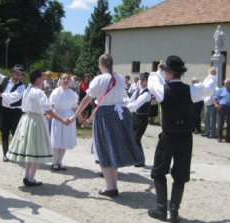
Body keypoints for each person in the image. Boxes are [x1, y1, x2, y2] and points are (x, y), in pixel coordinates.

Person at [147, 56, 217, 223]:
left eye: (165, 72)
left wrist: (157, 70)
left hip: (168, 136)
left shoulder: (163, 89)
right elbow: (208, 88)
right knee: (180, 174)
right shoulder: (191, 90)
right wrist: (212, 75)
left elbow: (151, 82)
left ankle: (161, 208)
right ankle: (174, 212)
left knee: (158, 171)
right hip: (185, 136)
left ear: (168, 73)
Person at [70, 53, 144, 197]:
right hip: (118, 114)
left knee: (103, 149)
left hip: (104, 114)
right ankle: (113, 185)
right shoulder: (120, 78)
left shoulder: (99, 79)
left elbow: (87, 99)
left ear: (101, 65)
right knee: (112, 149)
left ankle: (110, 186)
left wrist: (75, 115)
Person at [7, 69, 70, 187]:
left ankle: (27, 176)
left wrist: (45, 111)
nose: (44, 79)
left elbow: (39, 107)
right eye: (42, 77)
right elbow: (47, 109)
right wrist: (61, 119)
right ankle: (30, 178)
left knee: (31, 150)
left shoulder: (28, 90)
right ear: (38, 79)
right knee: (36, 151)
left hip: (26, 119)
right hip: (35, 121)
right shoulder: (38, 92)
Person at [0, 63, 25, 162]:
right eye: (16, 73)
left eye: (20, 74)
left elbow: (14, 97)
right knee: (4, 132)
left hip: (16, 112)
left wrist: (2, 94)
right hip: (5, 110)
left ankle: (16, 153)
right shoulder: (5, 80)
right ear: (12, 73)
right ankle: (5, 154)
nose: (17, 75)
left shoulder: (22, 86)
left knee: (16, 133)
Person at [49, 73, 81, 171]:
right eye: (64, 79)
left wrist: (81, 118)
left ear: (70, 81)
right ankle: (54, 162)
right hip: (58, 115)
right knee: (57, 139)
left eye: (67, 79)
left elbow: (75, 107)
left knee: (64, 139)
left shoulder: (72, 94)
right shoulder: (56, 92)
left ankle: (59, 162)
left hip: (69, 116)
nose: (65, 80)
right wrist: (48, 115)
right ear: (60, 80)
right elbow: (52, 105)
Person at [127, 72, 152, 167]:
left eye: (143, 80)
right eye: (140, 79)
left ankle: (141, 160)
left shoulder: (147, 94)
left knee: (136, 138)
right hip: (135, 117)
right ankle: (136, 158)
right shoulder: (138, 91)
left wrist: (124, 107)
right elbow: (130, 101)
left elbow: (136, 104)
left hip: (142, 118)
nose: (140, 81)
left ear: (147, 81)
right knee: (133, 138)